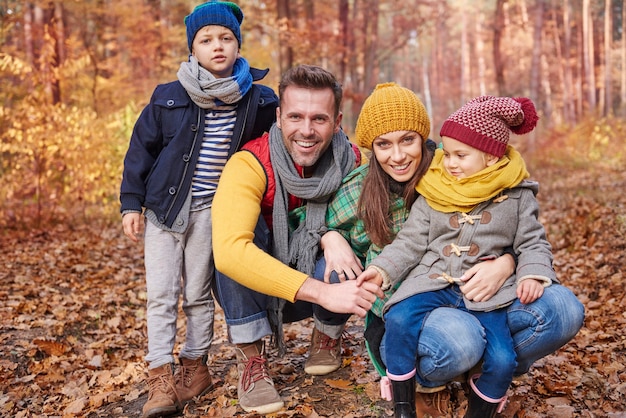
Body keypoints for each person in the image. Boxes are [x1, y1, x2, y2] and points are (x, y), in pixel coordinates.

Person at [318, 85, 585, 418]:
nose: (398, 156)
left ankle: (484, 379)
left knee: (562, 309)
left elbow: (525, 237)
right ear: (371, 148)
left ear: (425, 138)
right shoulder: (371, 186)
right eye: (383, 144)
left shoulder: (455, 165)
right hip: (418, 299)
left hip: (479, 293)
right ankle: (425, 383)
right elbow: (318, 219)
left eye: (407, 140)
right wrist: (331, 237)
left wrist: (510, 263)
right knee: (463, 339)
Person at [119, 2, 278, 417]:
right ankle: (159, 376)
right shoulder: (168, 96)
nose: (217, 46)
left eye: (226, 38)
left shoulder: (256, 100)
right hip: (164, 211)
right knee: (162, 294)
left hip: (213, 211)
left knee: (198, 294)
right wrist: (130, 203)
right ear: (193, 48)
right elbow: (140, 151)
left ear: (238, 44)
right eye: (206, 39)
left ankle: (195, 366)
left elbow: (282, 139)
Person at [211, 64, 382, 414]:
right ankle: (252, 360)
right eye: (295, 117)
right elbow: (229, 252)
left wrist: (332, 236)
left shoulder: (352, 160)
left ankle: (327, 335)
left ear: (337, 121)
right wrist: (324, 292)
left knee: (355, 228)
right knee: (233, 240)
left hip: (325, 286)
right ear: (278, 117)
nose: (306, 131)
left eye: (319, 119)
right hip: (259, 289)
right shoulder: (249, 163)